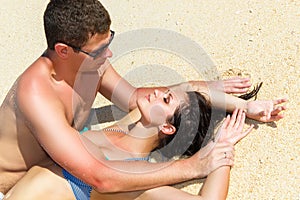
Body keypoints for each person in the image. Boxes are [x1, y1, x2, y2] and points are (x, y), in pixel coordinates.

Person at [0, 0, 287, 196]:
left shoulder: (90, 64)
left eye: (109, 40)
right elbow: (100, 177)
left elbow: (140, 99)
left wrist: (242, 105)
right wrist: (196, 164)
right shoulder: (36, 93)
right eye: (99, 49)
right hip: (14, 186)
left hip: (72, 166)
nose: (108, 55)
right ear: (63, 50)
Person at [4, 89, 253, 200]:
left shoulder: (137, 177)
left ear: (167, 128)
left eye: (165, 99)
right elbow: (185, 88)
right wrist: (240, 104)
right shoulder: (122, 126)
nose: (157, 92)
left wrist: (223, 147)